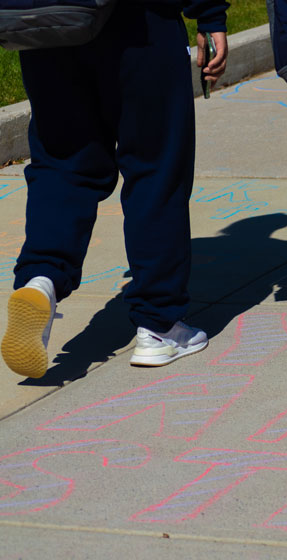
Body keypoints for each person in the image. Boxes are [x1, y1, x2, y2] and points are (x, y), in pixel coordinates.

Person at [1, 0, 229, 379]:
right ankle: (159, 326)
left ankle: (41, 280)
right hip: (138, 24)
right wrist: (209, 15)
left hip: (46, 22)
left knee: (63, 162)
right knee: (155, 167)